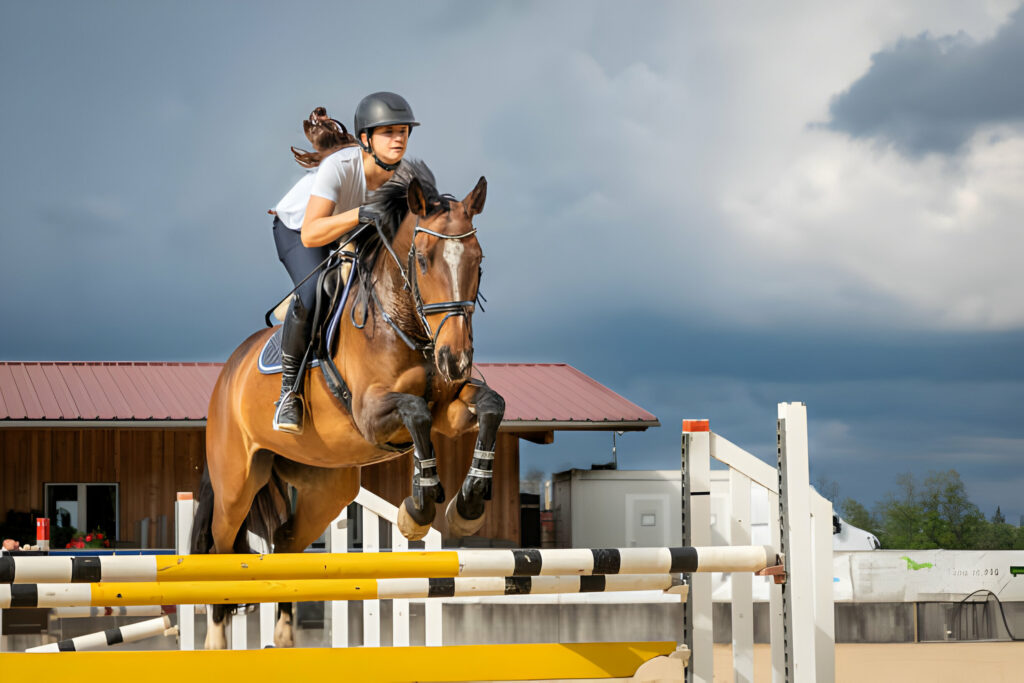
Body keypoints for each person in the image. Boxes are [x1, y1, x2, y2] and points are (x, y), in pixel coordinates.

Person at [273, 92, 420, 434]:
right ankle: (289, 393)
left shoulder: (405, 177)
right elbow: (312, 234)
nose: (399, 138)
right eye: (389, 132)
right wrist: (360, 214)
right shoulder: (338, 167)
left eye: (403, 131)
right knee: (316, 289)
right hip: (299, 228)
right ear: (366, 139)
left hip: (353, 227)